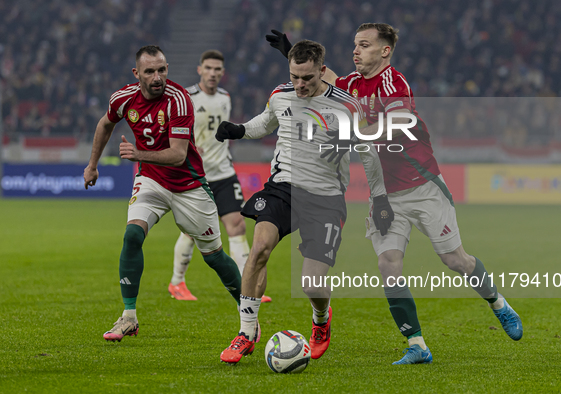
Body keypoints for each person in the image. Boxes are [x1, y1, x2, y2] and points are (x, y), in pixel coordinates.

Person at [267, 24, 523, 364]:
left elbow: (393, 126)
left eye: (364, 45)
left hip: (422, 187)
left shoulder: (393, 84)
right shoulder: (351, 85)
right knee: (389, 265)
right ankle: (417, 344)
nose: (356, 51)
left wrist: (349, 136)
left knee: (455, 260)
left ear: (385, 51)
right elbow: (320, 76)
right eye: (355, 44)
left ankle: (497, 303)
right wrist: (290, 49)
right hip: (384, 194)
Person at [215, 39, 393, 364]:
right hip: (283, 187)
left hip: (326, 198)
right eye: (294, 76)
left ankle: (321, 321)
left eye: (307, 78)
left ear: (323, 72)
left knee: (312, 282)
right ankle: (246, 332)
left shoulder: (346, 106)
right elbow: (265, 122)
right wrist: (239, 130)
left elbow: (368, 154)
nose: (299, 85)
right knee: (259, 250)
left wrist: (379, 199)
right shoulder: (281, 95)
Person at [83, 45, 243, 342]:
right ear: (137, 74)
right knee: (132, 236)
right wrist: (92, 165)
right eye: (150, 72)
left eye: (162, 70)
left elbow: (179, 155)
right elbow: (105, 123)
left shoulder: (179, 101)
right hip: (152, 181)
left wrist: (138, 153)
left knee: (215, 257)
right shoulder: (122, 99)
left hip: (189, 185)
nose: (158, 77)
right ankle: (128, 317)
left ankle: (248, 316)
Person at [168, 49, 271, 303]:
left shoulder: (226, 97)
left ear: (222, 73)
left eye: (218, 70)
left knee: (237, 225)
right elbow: (173, 128)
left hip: (224, 171)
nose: (213, 73)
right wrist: (189, 144)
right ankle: (177, 283)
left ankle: (250, 286)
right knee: (192, 232)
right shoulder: (187, 97)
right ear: (199, 70)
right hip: (196, 174)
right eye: (209, 68)